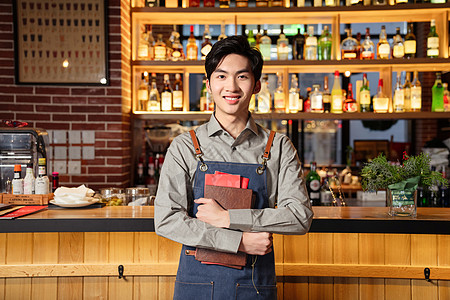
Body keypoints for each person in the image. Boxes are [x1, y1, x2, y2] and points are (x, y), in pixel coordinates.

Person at [154, 35, 313, 300]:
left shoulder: (278, 147)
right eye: (221, 76)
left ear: (257, 85)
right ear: (208, 84)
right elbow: (167, 220)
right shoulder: (184, 146)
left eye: (242, 76)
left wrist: (229, 218)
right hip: (197, 286)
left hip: (255, 285)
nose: (231, 86)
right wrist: (238, 241)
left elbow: (299, 217)